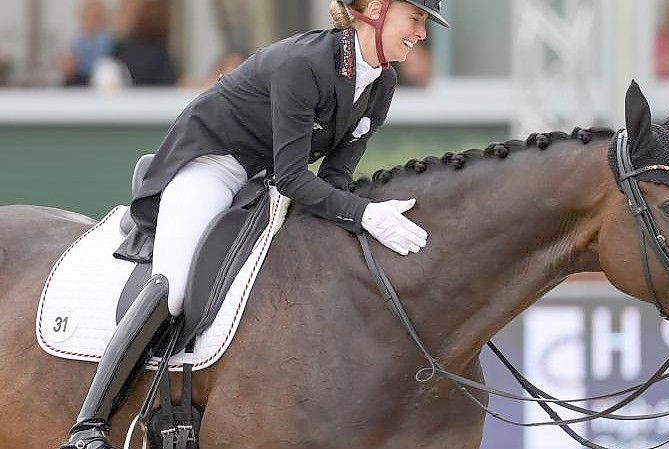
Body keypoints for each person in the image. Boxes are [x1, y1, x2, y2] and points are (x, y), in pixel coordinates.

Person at [57, 1, 449, 448]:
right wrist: (365, 216)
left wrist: (367, 213)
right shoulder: (307, 63)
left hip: (262, 182)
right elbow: (295, 177)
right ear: (376, 9)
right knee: (175, 287)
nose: (421, 34)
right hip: (213, 163)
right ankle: (88, 426)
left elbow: (335, 178)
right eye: (416, 19)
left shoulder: (382, 83)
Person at [59, 0, 114, 86]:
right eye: (87, 17)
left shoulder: (112, 43)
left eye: (96, 17)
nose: (91, 21)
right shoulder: (75, 44)